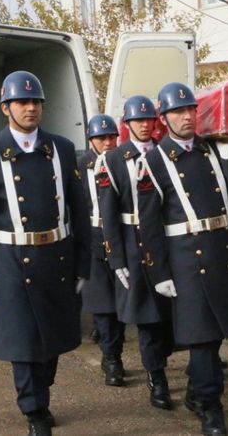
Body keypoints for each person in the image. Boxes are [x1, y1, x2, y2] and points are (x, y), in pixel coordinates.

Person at [0, 71, 91, 436]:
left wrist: (84, 261)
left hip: (57, 257)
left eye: (36, 102)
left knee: (51, 342)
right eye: (22, 102)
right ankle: (35, 411)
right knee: (24, 343)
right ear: (6, 108)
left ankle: (40, 391)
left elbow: (79, 210)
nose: (31, 108)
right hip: (12, 262)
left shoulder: (62, 149)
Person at [136, 82, 228, 435]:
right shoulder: (153, 161)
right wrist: (159, 272)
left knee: (217, 334)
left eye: (190, 110)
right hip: (188, 257)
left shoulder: (212, 150)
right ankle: (210, 405)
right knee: (201, 336)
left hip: (223, 251)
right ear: (164, 118)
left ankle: (195, 390)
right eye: (178, 112)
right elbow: (149, 223)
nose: (187, 117)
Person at [95, 95, 174, 410]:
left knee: (172, 315)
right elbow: (108, 214)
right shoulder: (112, 160)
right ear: (126, 124)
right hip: (132, 243)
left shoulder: (165, 153)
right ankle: (157, 377)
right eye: (137, 120)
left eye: (149, 119)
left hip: (167, 240)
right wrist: (115, 258)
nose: (144, 125)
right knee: (148, 317)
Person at [79, 114, 126, 387]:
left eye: (112, 137)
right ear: (91, 140)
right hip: (92, 236)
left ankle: (114, 348)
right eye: (101, 138)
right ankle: (111, 358)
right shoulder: (80, 165)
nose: (108, 143)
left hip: (119, 235)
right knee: (102, 303)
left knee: (122, 298)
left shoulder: (122, 161)